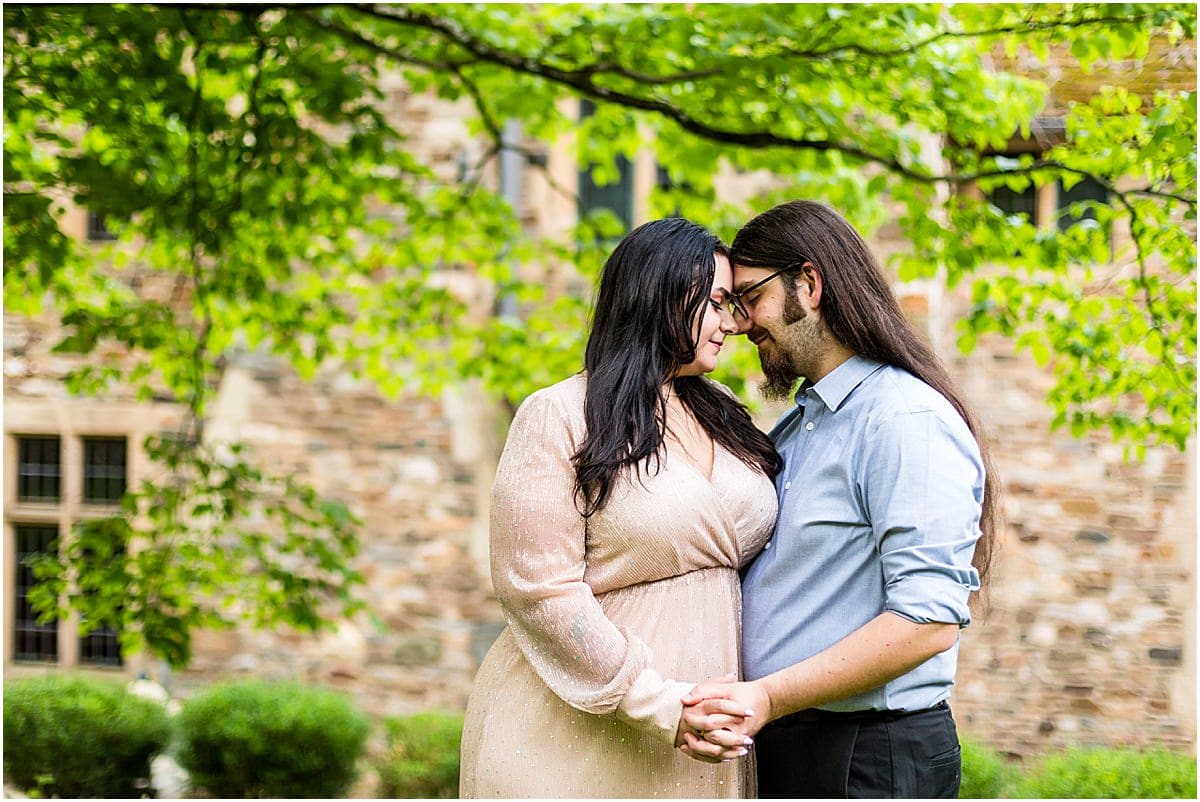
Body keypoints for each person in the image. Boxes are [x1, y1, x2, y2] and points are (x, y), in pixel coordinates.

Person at [678, 200, 999, 798]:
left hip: (869, 754)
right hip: (792, 744)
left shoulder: (904, 419)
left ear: (809, 282)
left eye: (750, 298)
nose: (741, 323)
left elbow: (928, 621)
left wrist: (768, 695)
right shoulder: (804, 424)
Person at [460, 217, 783, 798]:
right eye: (714, 302)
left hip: (710, 731)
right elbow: (539, 589)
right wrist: (660, 703)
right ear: (661, 296)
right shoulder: (558, 415)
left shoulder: (725, 412)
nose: (732, 324)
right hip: (585, 731)